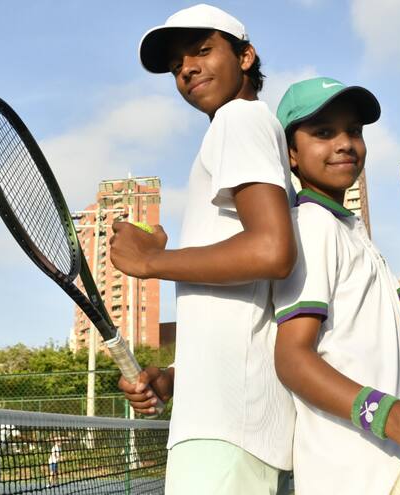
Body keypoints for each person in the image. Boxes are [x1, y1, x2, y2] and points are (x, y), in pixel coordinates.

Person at [111, 4, 297, 494]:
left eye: (202, 50)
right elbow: (253, 304)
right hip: (237, 423)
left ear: (246, 56)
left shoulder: (237, 120)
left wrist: (150, 262)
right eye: (176, 65)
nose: (187, 68)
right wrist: (175, 377)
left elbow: (272, 250)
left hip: (228, 428)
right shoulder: (246, 126)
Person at [270, 76, 400, 494]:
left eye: (354, 131)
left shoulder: (352, 232)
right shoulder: (309, 226)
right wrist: (392, 416)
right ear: (291, 154)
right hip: (351, 477)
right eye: (324, 132)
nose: (345, 143)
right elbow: (291, 358)